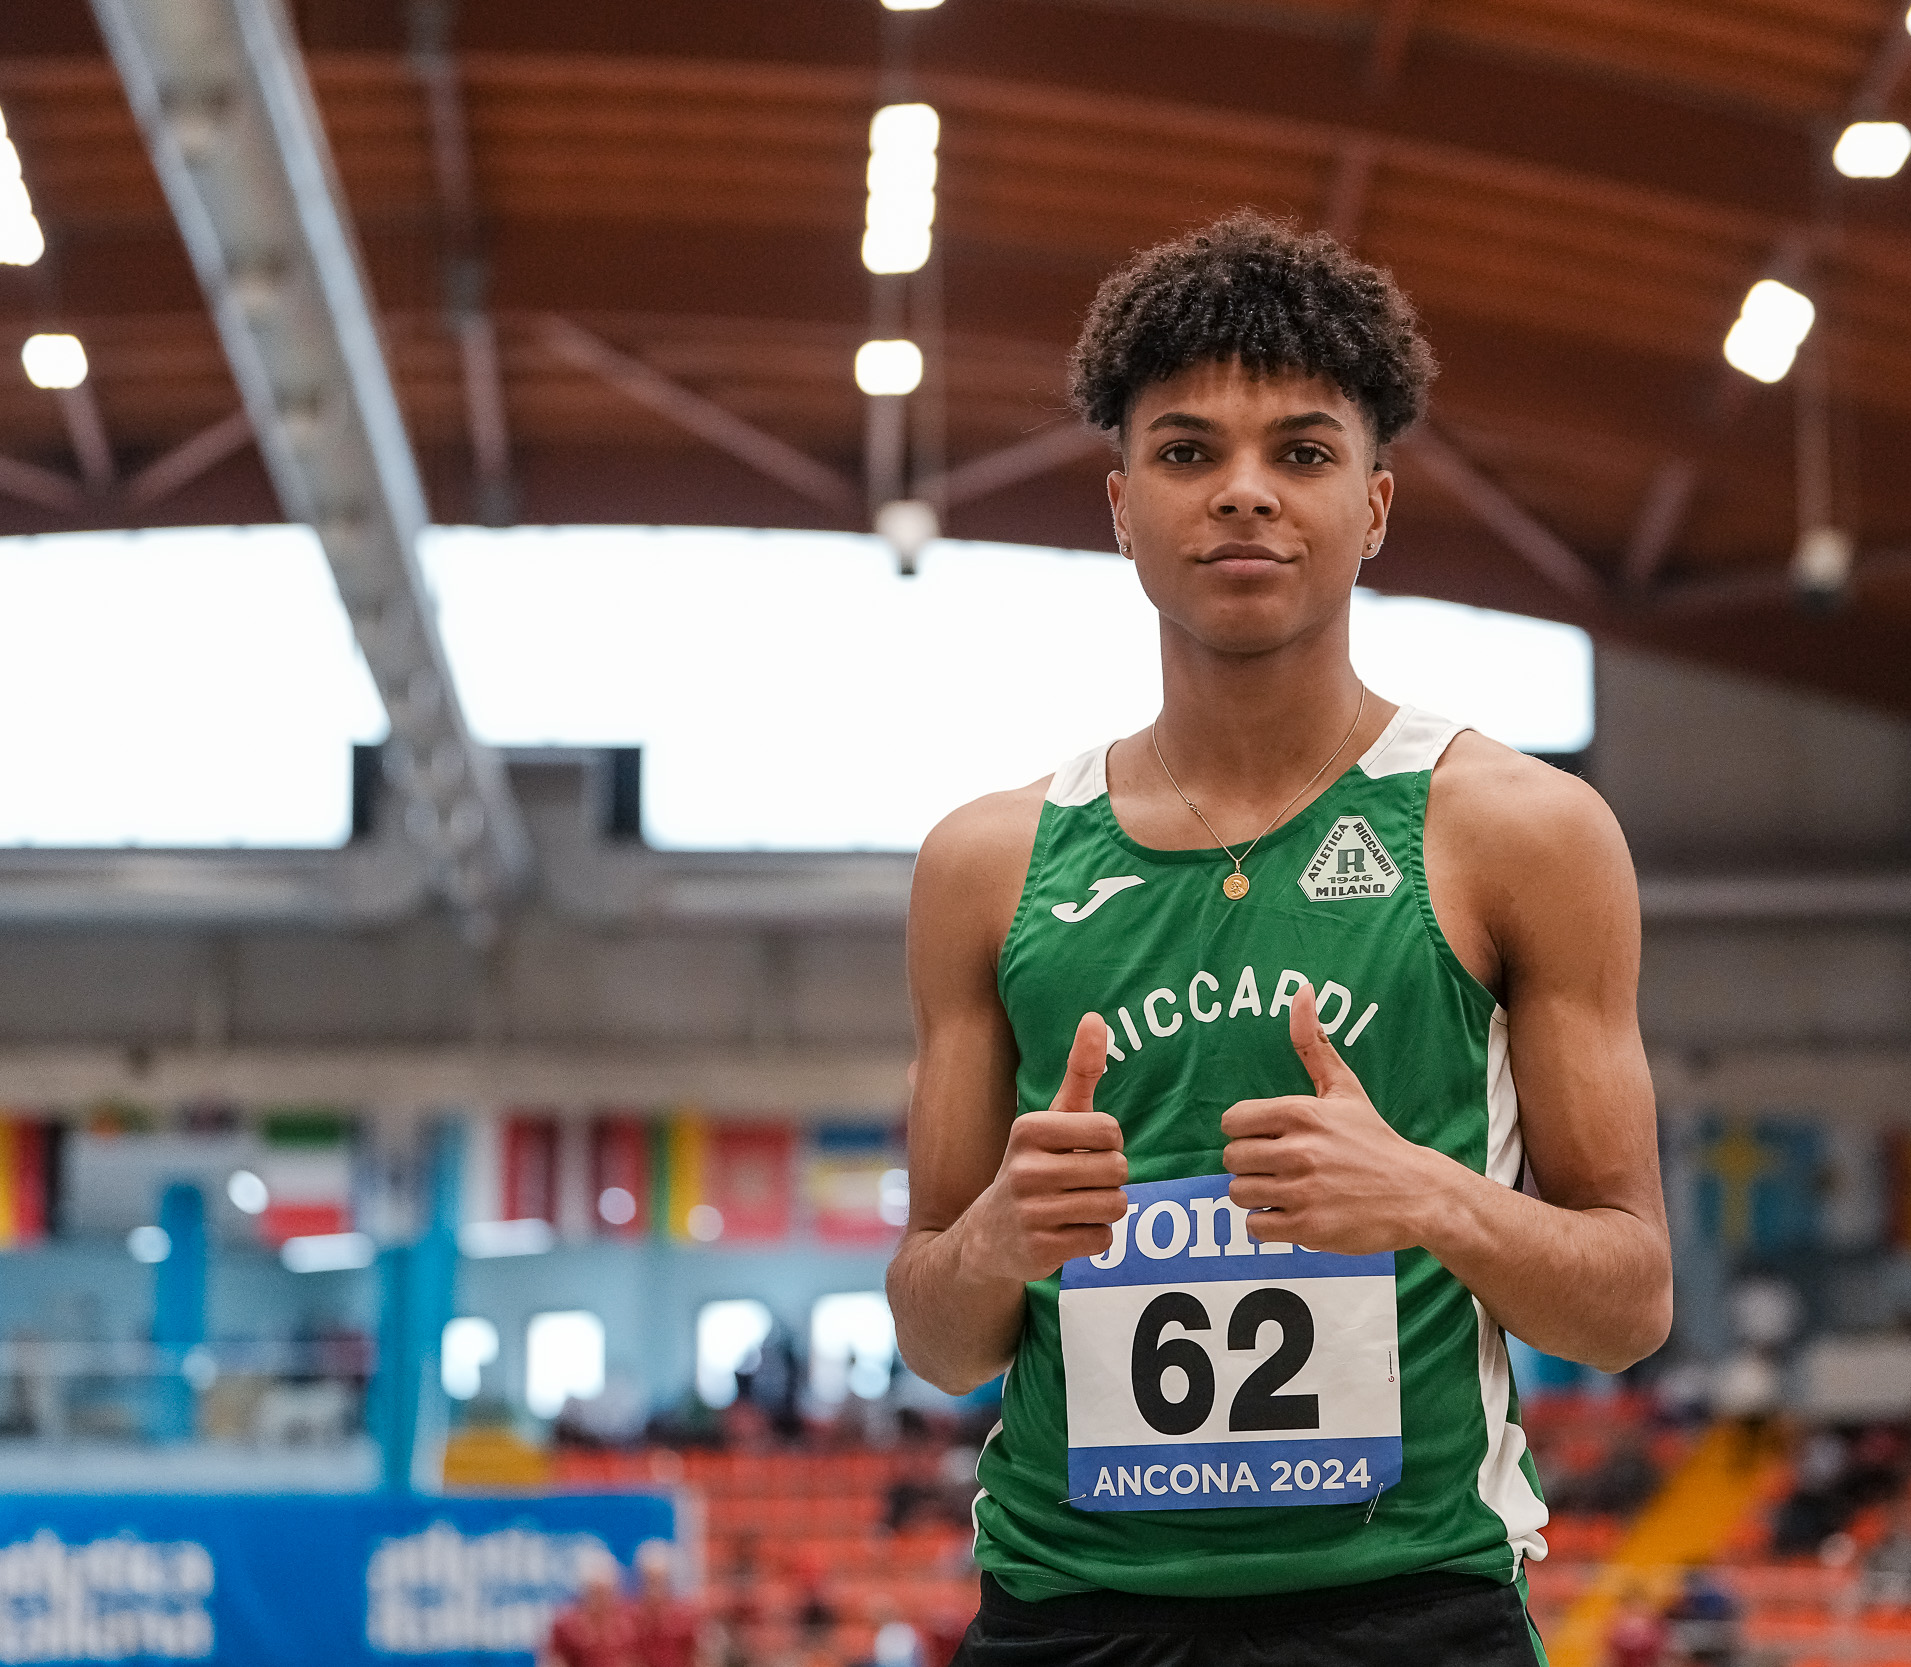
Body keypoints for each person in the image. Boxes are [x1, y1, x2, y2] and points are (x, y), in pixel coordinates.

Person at [888, 210, 1674, 1664]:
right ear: (1121, 504)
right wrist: (996, 1234)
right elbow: (940, 1339)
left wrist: (1427, 1194)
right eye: (1188, 451)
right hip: (1068, 1615)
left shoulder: (1521, 831)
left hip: (1409, 1609)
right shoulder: (986, 864)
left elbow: (1628, 1302)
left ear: (1373, 506)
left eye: (1301, 452)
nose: (1243, 491)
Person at [543, 1548, 642, 1667]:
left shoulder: (631, 1619)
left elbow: (639, 1659)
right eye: (594, 1592)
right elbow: (555, 1661)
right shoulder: (566, 1624)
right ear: (583, 1590)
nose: (600, 1599)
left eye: (605, 1592)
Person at [633, 1540, 714, 1667]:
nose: (654, 1589)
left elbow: (698, 1657)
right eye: (649, 1581)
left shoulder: (684, 1619)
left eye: (658, 1581)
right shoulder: (634, 1621)